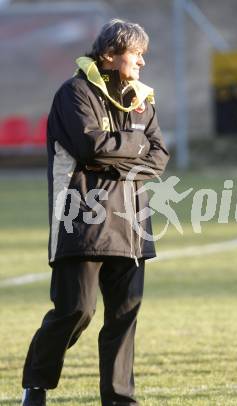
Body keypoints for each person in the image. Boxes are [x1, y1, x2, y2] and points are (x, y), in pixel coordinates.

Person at [21, 19, 169, 406]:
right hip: (81, 221)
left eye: (142, 55)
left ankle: (120, 399)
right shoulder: (74, 93)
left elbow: (159, 156)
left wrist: (120, 154)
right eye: (135, 54)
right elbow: (91, 148)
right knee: (76, 311)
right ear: (108, 55)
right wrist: (133, 149)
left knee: (124, 316)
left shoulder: (141, 99)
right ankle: (36, 385)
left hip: (132, 225)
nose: (142, 62)